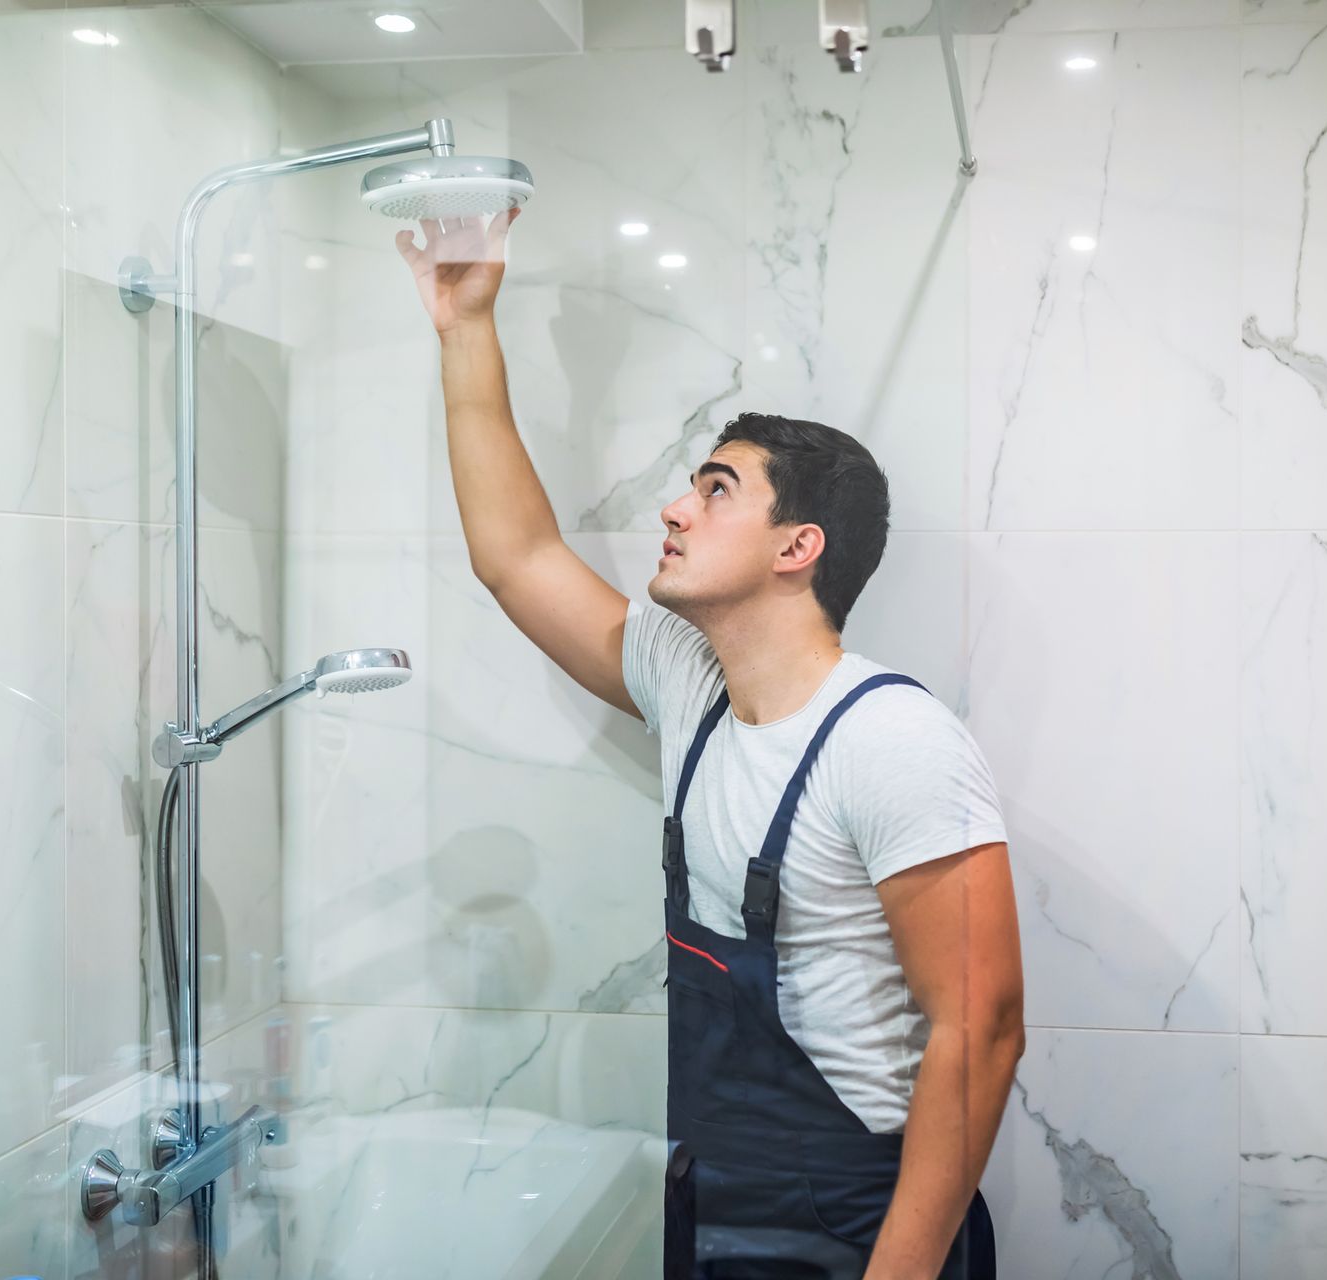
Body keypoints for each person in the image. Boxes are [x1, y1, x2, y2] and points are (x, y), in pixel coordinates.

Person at [397, 209, 1025, 1280]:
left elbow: (985, 1027)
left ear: (798, 546)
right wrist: (466, 326)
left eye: (715, 488)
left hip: (861, 1229)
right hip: (716, 1207)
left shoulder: (894, 741)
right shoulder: (693, 688)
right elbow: (516, 554)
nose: (675, 508)